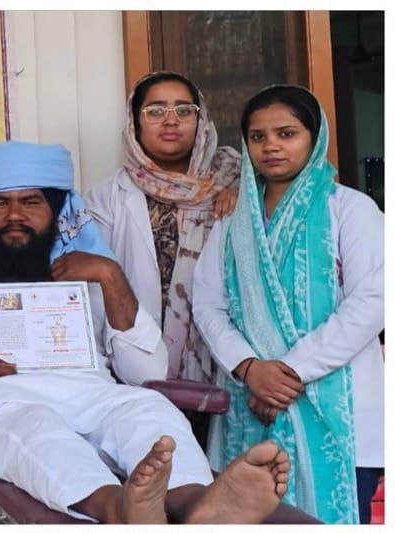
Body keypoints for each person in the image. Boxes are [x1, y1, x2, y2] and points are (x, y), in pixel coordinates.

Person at [0, 140, 293, 524]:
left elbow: (145, 372)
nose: (15, 215)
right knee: (33, 424)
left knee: (147, 409)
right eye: (0, 203)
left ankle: (197, 505)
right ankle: (119, 509)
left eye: (31, 202)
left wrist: (110, 276)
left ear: (55, 211)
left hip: (91, 396)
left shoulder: (84, 275)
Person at [192, 85, 385, 524]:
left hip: (339, 413)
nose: (271, 146)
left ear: (315, 138)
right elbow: (207, 304)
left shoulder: (351, 210)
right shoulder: (233, 221)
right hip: (249, 404)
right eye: (257, 137)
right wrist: (249, 368)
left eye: (287, 133)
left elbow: (372, 301)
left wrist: (288, 373)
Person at [85, 72, 241, 391]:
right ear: (135, 122)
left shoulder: (236, 186)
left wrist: (244, 197)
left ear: (201, 121)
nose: (171, 121)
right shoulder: (105, 198)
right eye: (155, 111)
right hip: (136, 359)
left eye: (184, 110)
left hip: (227, 356)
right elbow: (96, 293)